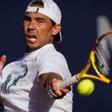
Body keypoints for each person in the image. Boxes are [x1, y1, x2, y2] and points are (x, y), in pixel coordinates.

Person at [0, 0, 73, 111]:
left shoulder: (51, 56)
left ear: (55, 29)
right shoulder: (9, 68)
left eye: (40, 21)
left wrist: (52, 82)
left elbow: (48, 75)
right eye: (28, 19)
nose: (31, 26)